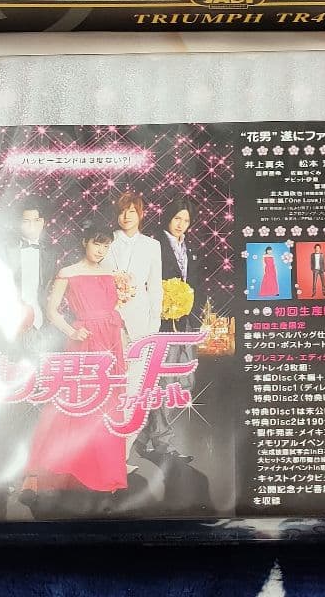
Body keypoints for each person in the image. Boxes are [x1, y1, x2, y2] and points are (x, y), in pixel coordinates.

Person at [22, 228, 128, 501]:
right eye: (97, 243)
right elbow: (52, 311)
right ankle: (54, 469)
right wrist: (72, 332)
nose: (101, 250)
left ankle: (105, 472)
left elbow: (115, 309)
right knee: (76, 401)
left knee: (108, 404)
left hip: (111, 340)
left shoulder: (111, 273)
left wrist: (123, 343)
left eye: (106, 246)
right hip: (85, 339)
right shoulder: (68, 272)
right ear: (85, 242)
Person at [137, 197, 200, 463]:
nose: (181, 224)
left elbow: (195, 284)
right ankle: (163, 443)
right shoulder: (155, 245)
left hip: (185, 322)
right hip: (161, 323)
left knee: (186, 382)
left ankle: (144, 436)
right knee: (165, 383)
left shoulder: (190, 248)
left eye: (186, 220)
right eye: (177, 218)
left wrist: (193, 317)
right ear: (168, 218)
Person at [108, 192, 162, 459]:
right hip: (110, 323)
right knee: (111, 385)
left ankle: (124, 453)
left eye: (131, 211)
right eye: (122, 211)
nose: (126, 216)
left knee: (135, 387)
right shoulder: (107, 242)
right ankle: (107, 452)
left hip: (141, 325)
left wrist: (154, 326)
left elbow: (155, 287)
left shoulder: (152, 246)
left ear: (141, 214)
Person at [2, 199, 58, 355]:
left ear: (43, 222)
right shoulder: (6, 249)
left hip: (41, 318)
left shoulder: (51, 253)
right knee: (11, 361)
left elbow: (50, 285)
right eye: (26, 221)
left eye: (36, 220)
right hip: (12, 318)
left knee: (41, 362)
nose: (32, 225)